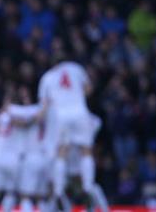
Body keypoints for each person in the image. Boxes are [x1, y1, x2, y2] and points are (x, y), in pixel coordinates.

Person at [38, 59, 94, 206]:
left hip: (61, 115)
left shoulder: (47, 77)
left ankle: (58, 192)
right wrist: (75, 96)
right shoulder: (76, 67)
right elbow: (88, 89)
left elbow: (44, 105)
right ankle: (87, 188)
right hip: (80, 111)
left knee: (61, 151)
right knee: (86, 150)